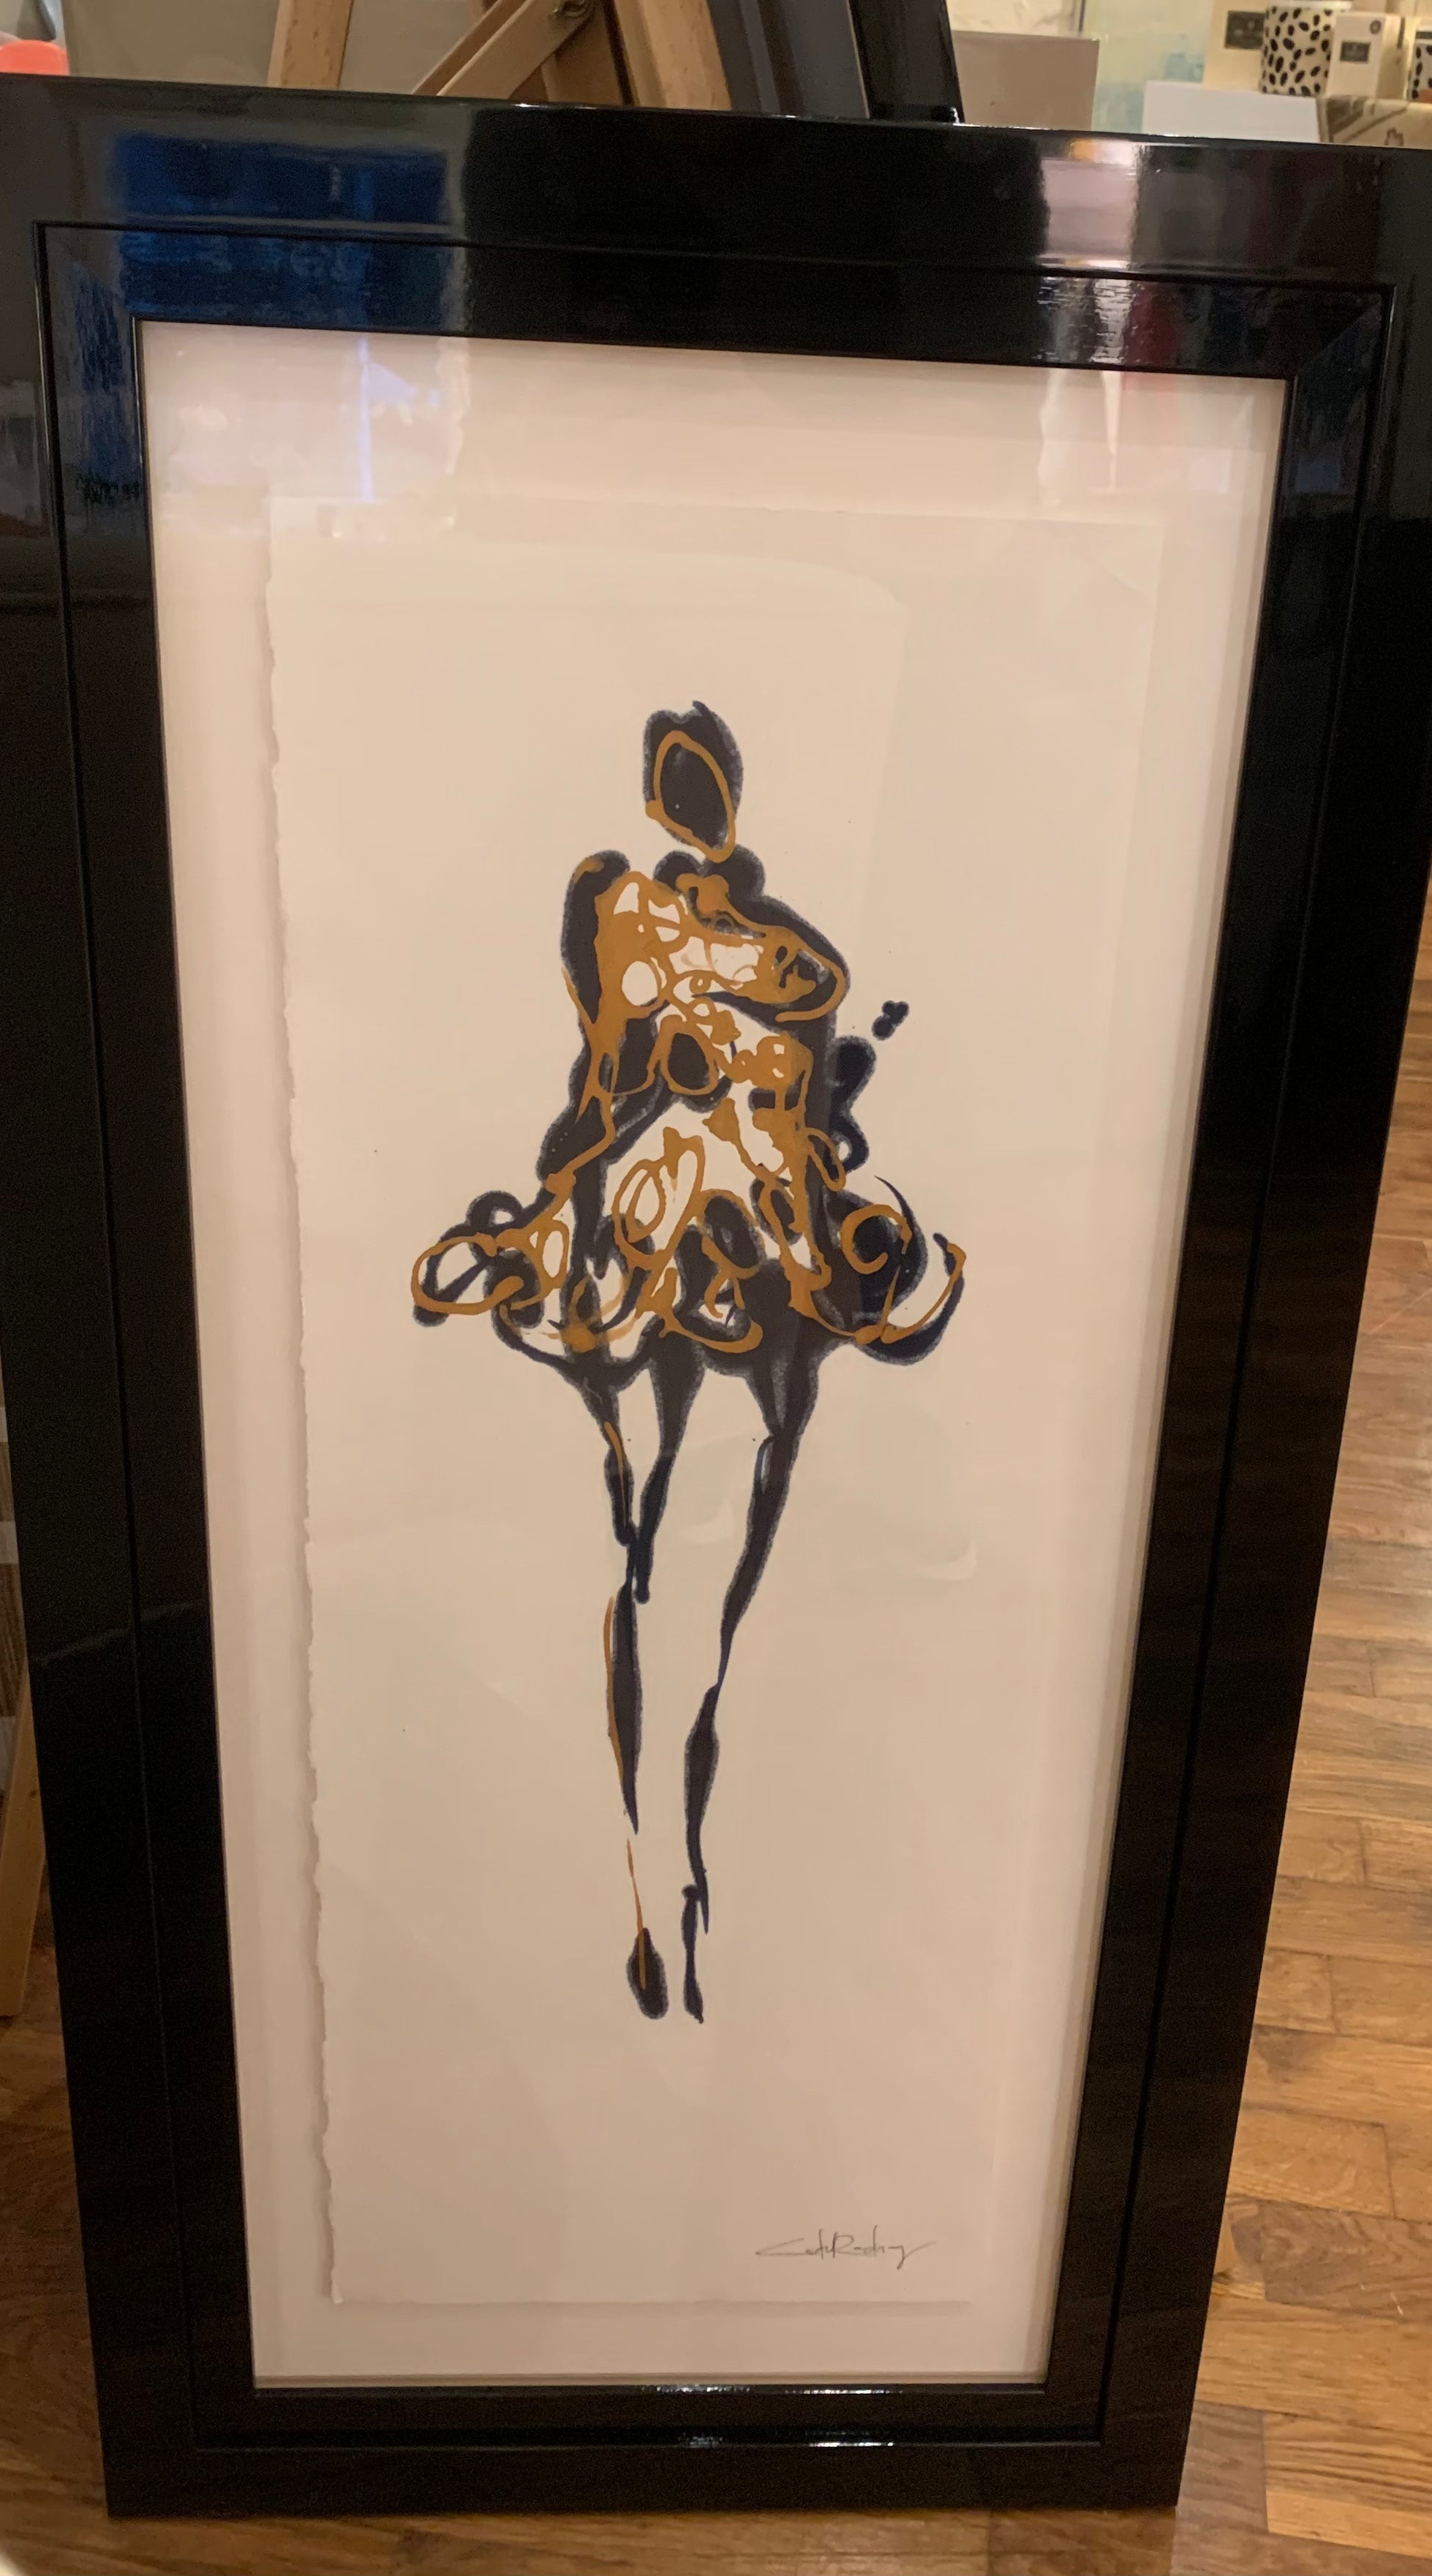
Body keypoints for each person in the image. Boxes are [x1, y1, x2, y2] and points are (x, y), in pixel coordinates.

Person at [413, 703, 964, 2019]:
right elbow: (614, 1096)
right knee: (657, 1560)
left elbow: (730, 1098)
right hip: (657, 1243)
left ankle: (668, 1891)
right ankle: (658, 1889)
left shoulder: (770, 964)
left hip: (736, 1255)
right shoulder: (647, 931)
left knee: (688, 1572)